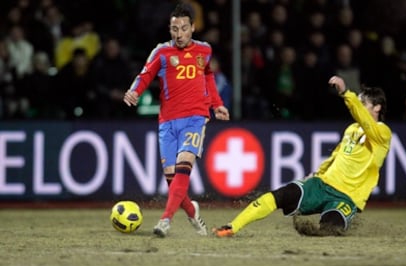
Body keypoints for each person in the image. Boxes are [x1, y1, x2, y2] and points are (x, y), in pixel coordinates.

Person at [213, 75, 391, 237]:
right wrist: (317, 173)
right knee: (279, 196)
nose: (358, 108)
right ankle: (232, 227)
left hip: (346, 198)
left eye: (363, 104)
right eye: (358, 104)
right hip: (322, 185)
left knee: (329, 230)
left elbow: (367, 123)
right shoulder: (352, 129)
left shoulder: (382, 134)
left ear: (377, 107)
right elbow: (336, 156)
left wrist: (346, 93)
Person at [123, 3, 230, 238]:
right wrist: (134, 92)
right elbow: (145, 74)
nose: (178, 34)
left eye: (183, 28)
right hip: (167, 122)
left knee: (183, 169)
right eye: (174, 29)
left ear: (192, 27)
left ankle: (165, 220)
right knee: (174, 183)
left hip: (195, 118)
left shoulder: (204, 50)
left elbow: (208, 75)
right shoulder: (161, 52)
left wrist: (217, 104)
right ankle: (193, 213)